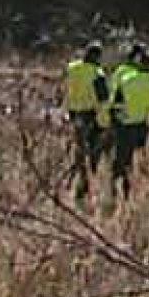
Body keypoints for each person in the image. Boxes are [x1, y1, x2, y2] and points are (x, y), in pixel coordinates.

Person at [111, 51, 149, 197]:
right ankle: (134, 190)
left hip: (125, 123)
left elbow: (116, 102)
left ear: (139, 62)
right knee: (139, 158)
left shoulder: (127, 79)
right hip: (145, 124)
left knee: (122, 158)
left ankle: (116, 189)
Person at [62, 41, 109, 198]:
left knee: (80, 148)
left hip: (74, 113)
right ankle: (84, 186)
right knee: (92, 152)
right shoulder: (97, 73)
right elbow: (103, 99)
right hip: (90, 115)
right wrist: (104, 122)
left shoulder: (72, 67)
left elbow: (65, 88)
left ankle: (72, 181)